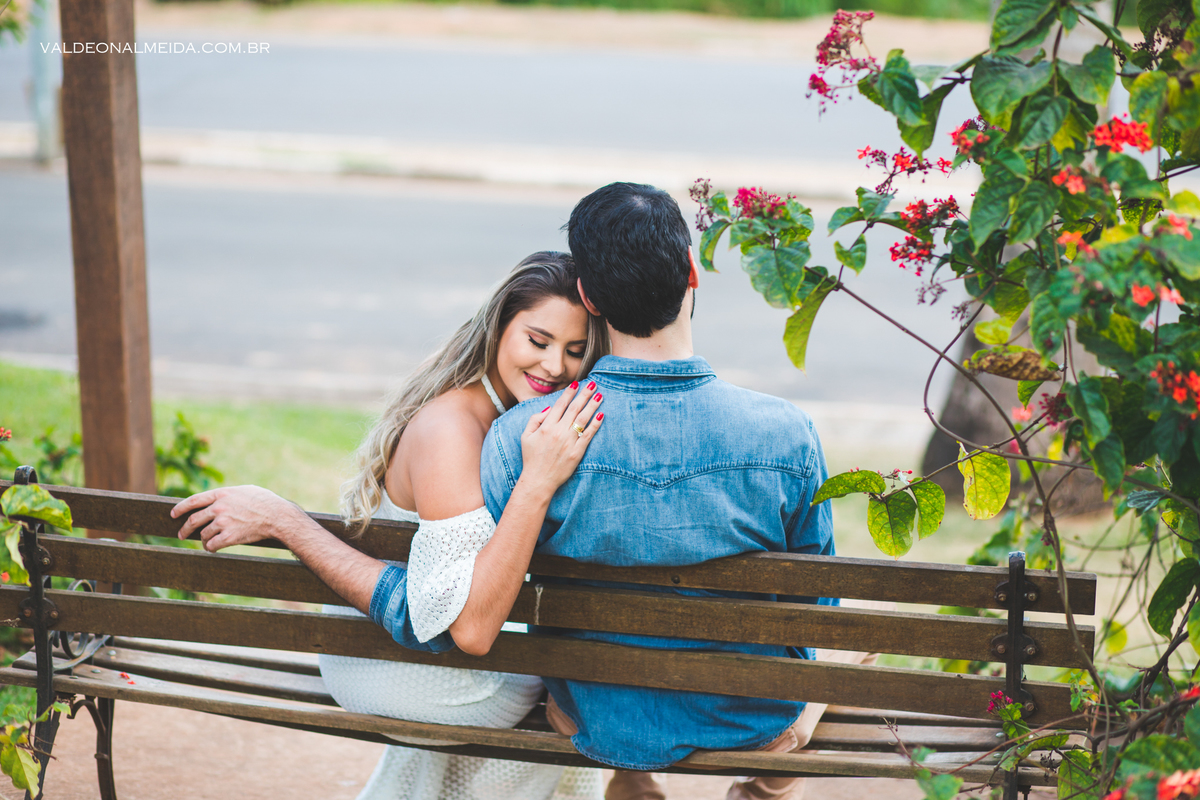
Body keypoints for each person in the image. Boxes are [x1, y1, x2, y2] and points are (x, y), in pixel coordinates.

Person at [174, 183, 869, 800]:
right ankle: (773, 776)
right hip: (746, 717)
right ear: (693, 273)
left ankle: (641, 774)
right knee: (832, 656)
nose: (553, 363)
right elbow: (816, 606)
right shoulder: (786, 436)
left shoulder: (519, 436)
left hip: (592, 714)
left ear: (590, 303)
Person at [176, 252, 609, 800]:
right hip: (401, 672)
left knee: (573, 671)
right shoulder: (452, 430)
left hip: (378, 651)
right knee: (579, 693)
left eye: (575, 352)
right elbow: (464, 630)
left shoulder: (502, 413)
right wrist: (285, 519)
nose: (553, 366)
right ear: (500, 329)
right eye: (538, 341)